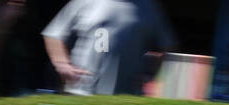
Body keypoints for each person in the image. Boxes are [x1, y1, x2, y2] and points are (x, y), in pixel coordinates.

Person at [41, 0, 177, 95]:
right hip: (81, 92)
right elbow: (54, 34)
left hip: (126, 97)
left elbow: (168, 46)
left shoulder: (149, 7)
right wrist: (62, 64)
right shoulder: (83, 2)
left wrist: (156, 79)